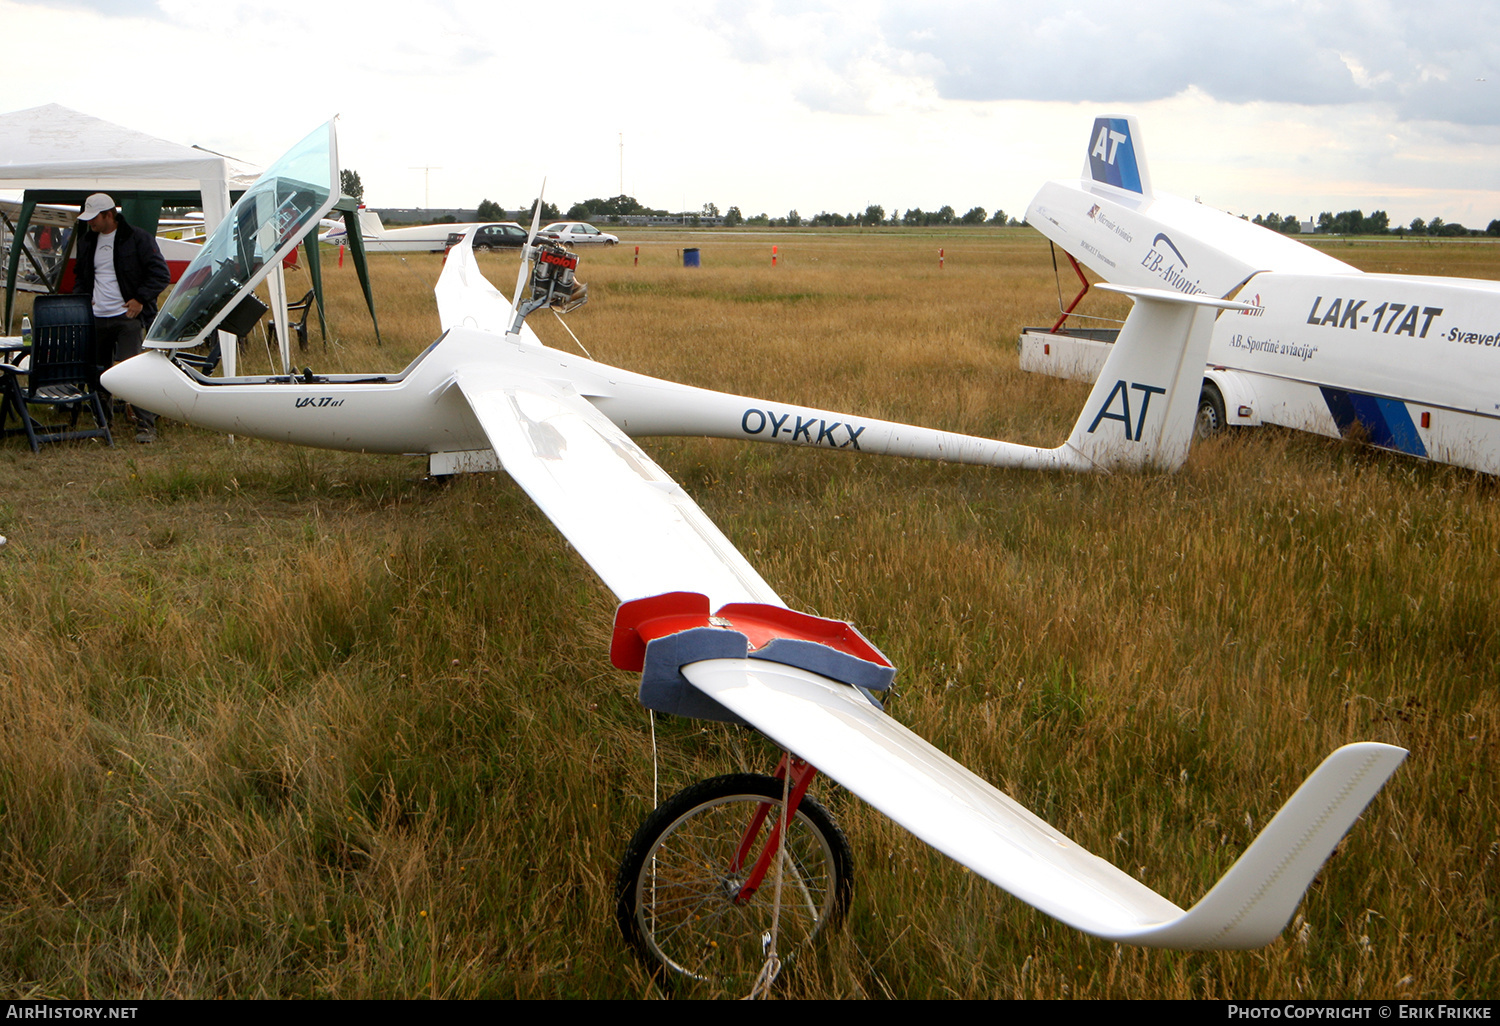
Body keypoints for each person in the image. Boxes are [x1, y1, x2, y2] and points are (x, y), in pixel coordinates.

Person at [72, 193, 170, 443]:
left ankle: (146, 425)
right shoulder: (86, 242)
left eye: (95, 217)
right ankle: (102, 424)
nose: (91, 222)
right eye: (88, 218)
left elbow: (160, 274)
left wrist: (140, 299)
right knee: (99, 373)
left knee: (133, 372)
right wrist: (83, 299)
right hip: (96, 318)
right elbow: (81, 277)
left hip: (127, 318)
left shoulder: (137, 238)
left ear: (109, 214)